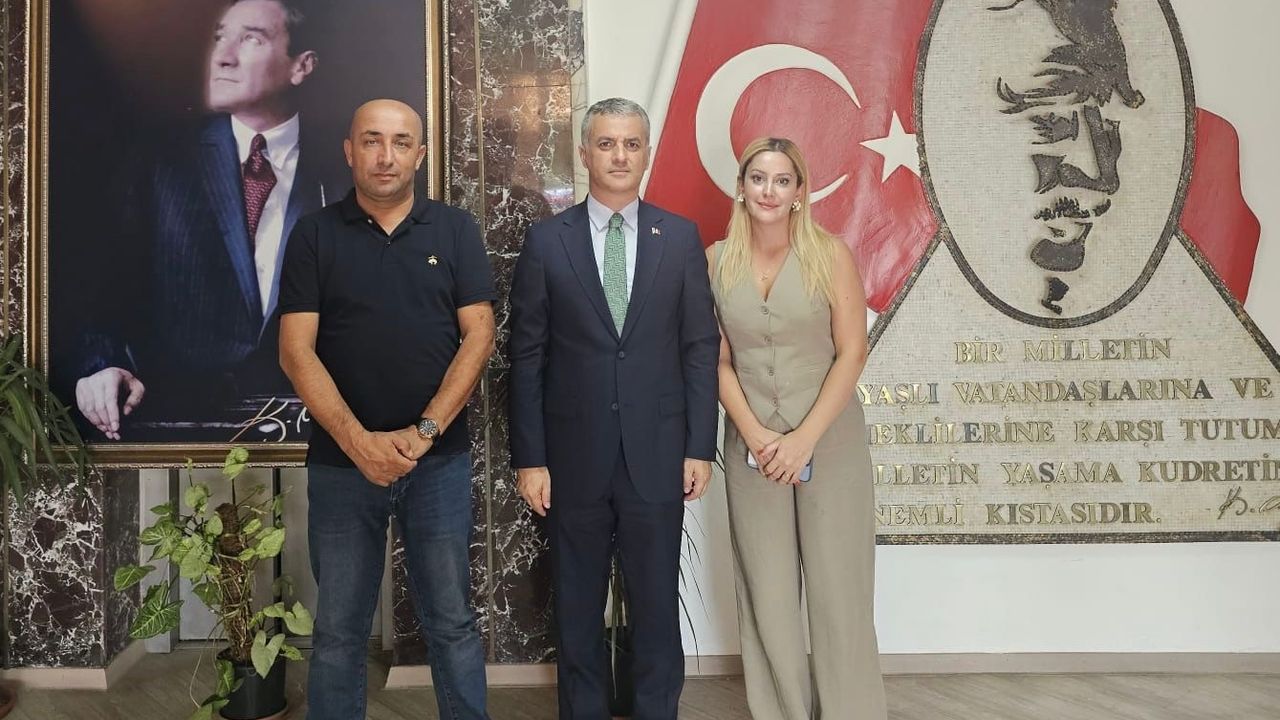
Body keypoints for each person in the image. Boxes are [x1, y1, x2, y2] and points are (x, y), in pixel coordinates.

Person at [277, 99, 494, 720]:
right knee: (339, 629)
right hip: (342, 466)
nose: (386, 156)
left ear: (420, 155)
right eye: (372, 141)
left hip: (438, 463)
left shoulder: (455, 230)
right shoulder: (315, 234)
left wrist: (424, 433)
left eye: (401, 143)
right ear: (349, 150)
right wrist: (359, 443)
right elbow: (295, 352)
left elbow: (479, 336)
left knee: (451, 620)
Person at [508, 97, 719, 720]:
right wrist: (530, 459)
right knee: (577, 610)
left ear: (646, 153)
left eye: (631, 144)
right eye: (606, 144)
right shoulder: (547, 242)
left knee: (655, 609)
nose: (619, 156)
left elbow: (699, 349)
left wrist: (698, 446)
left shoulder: (679, 238)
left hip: (658, 455)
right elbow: (527, 357)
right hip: (572, 461)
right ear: (584, 153)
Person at [72, 0, 325, 440]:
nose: (222, 56)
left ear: (301, 66)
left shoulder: (346, 168)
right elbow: (105, 297)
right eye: (220, 37)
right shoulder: (159, 162)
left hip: (314, 435)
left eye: (251, 39)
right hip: (175, 433)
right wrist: (103, 366)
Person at [708, 137, 886, 720]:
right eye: (758, 178)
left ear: (799, 193)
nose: (768, 190)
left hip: (829, 443)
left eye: (782, 180)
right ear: (741, 186)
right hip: (752, 446)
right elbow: (715, 359)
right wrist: (756, 435)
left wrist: (803, 439)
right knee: (768, 592)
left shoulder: (830, 255)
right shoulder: (714, 261)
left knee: (839, 592)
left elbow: (852, 352)